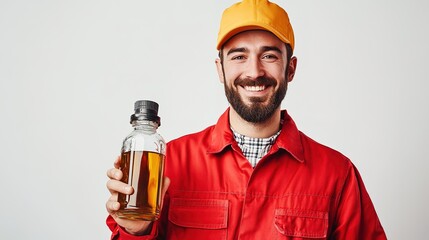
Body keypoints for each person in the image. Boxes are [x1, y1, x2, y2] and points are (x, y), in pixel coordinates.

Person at [105, 0, 387, 239]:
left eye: (268, 55)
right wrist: (136, 232)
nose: (254, 71)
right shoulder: (170, 162)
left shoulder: (338, 175)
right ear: (220, 69)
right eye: (239, 56)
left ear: (290, 68)